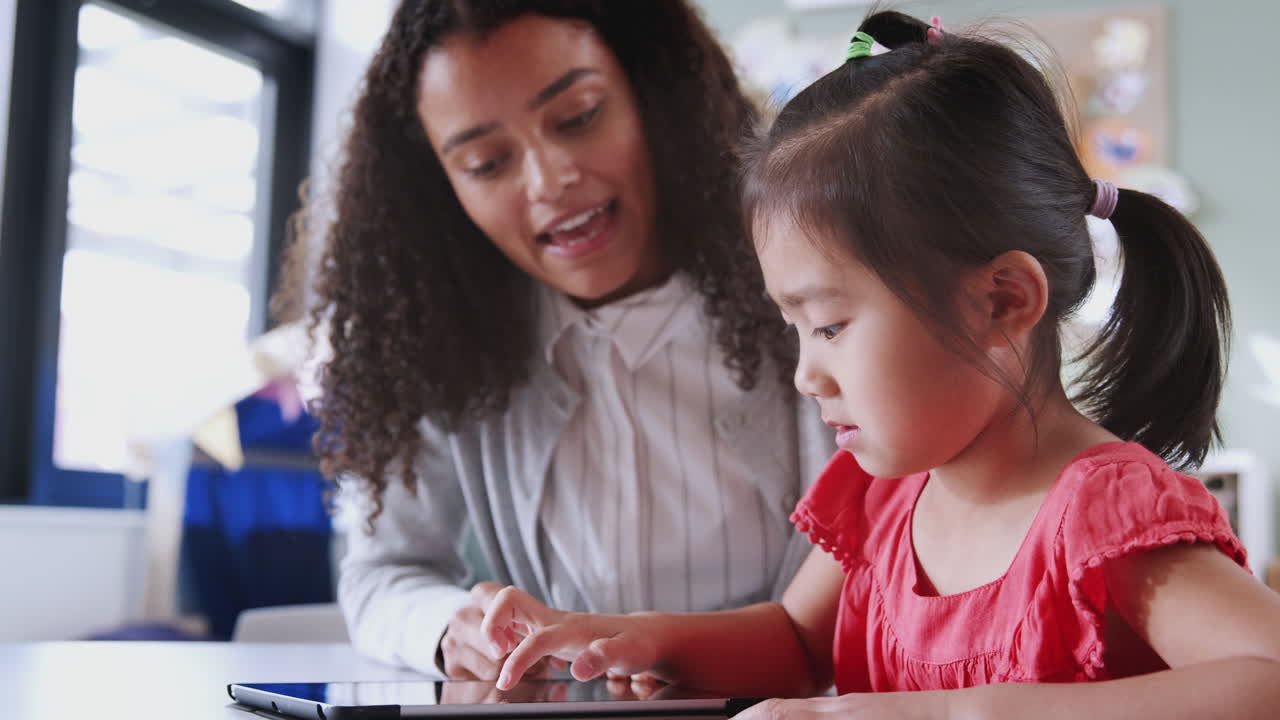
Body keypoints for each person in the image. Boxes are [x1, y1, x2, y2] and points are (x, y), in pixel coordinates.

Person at [476, 11, 1280, 718]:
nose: (805, 373)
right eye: (794, 328)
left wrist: (950, 714)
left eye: (827, 325)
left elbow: (1267, 677)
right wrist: (629, 639)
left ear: (1002, 300)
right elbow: (795, 641)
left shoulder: (1104, 513)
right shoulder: (885, 493)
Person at [285, 0, 832, 679]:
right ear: (442, 190)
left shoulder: (811, 293)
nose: (551, 180)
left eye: (578, 117)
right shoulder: (449, 343)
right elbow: (383, 574)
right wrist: (449, 629)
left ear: (651, 95)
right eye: (486, 162)